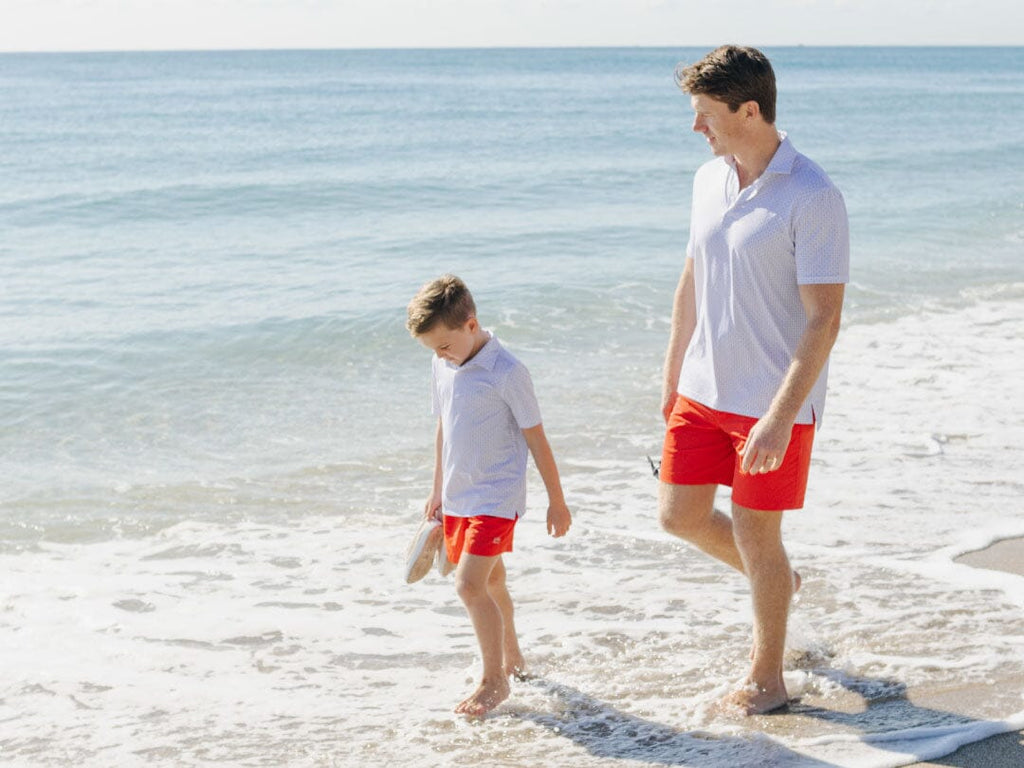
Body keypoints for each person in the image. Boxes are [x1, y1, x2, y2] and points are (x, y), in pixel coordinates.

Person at [659, 45, 849, 715]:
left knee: (754, 534)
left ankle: (768, 679)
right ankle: (779, 582)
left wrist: (778, 416)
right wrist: (673, 369)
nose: (695, 128)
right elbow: (692, 277)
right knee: (678, 515)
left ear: (749, 111)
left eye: (705, 114)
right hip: (703, 391)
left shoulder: (812, 195)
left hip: (770, 404)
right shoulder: (708, 180)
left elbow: (824, 319)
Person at [406, 274, 572, 717]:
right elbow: (444, 425)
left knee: (469, 585)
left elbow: (537, 439)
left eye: (443, 345)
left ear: (471, 325)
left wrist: (557, 500)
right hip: (459, 494)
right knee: (493, 581)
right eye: (433, 350)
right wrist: (437, 488)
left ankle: (493, 680)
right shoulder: (443, 364)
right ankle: (513, 658)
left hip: (496, 499)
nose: (439, 354)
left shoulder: (508, 372)